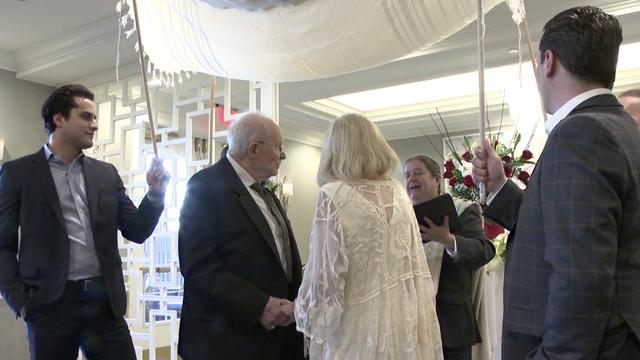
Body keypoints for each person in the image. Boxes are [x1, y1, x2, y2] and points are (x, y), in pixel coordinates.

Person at [472, 6, 640, 358]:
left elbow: (581, 275)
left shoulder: (582, 133)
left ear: (548, 61)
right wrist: (502, 186)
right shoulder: (622, 130)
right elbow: (559, 227)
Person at [0, 84, 169, 360]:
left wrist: (155, 194)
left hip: (104, 306)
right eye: (86, 116)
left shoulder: (105, 174)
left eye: (95, 118)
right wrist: (21, 302)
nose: (94, 125)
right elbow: (3, 245)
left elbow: (136, 230)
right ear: (59, 119)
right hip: (50, 306)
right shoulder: (18, 174)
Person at [295, 113, 443, 359]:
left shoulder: (332, 195)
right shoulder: (398, 191)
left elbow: (326, 284)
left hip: (356, 326)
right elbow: (415, 269)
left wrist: (303, 311)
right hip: (401, 323)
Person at [178, 112, 304, 360]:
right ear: (253, 148)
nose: (283, 155)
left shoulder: (267, 192)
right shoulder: (204, 186)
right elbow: (198, 266)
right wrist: (260, 306)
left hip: (279, 337)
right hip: (229, 339)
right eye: (279, 147)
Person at [404, 155, 495, 360]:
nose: (411, 179)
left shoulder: (462, 210)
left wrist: (447, 240)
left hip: (451, 324)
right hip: (412, 321)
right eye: (407, 175)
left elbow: (484, 251)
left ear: (437, 179)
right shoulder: (401, 217)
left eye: (418, 173)